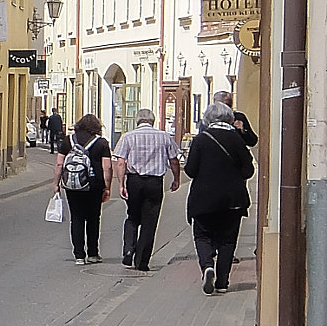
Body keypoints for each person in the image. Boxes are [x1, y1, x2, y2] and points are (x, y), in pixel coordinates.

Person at [185, 103, 256, 294]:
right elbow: (248, 170)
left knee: (202, 235)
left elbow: (190, 170)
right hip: (233, 200)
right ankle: (222, 282)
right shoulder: (237, 139)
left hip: (204, 199)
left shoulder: (200, 139)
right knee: (227, 240)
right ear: (230, 119)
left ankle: (207, 266)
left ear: (208, 119)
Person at [112, 109, 182, 272]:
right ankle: (142, 261)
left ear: (137, 121)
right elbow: (174, 160)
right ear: (153, 121)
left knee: (132, 216)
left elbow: (121, 162)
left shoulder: (128, 137)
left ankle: (129, 249)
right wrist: (176, 179)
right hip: (154, 182)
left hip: (134, 181)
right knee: (150, 222)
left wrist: (121, 184)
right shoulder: (164, 136)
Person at [54, 114, 116, 265]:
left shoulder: (69, 140)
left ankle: (79, 255)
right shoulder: (101, 143)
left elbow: (59, 164)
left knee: (77, 218)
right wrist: (107, 187)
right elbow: (107, 166)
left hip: (72, 186)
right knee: (93, 219)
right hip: (94, 186)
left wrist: (56, 184)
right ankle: (93, 253)